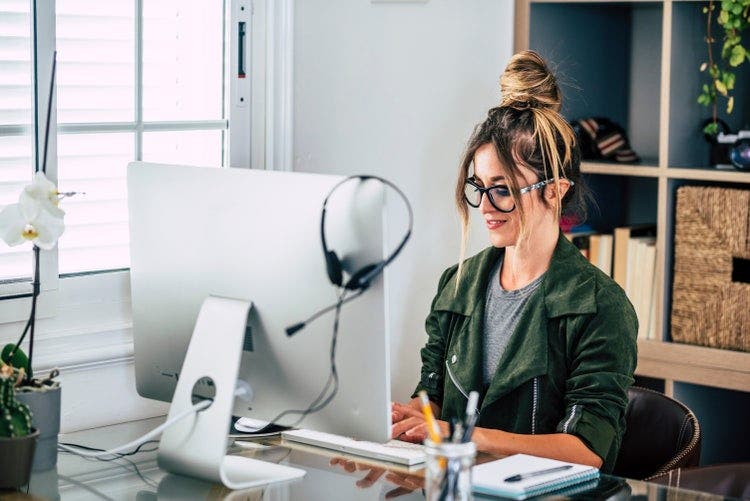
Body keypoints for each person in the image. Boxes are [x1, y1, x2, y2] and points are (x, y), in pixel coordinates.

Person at [391, 50, 638, 473]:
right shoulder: (457, 284)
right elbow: (430, 399)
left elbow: (589, 450)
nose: (485, 206)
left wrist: (467, 436)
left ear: (555, 190)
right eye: (478, 186)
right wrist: (402, 419)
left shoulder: (601, 307)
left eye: (502, 189)